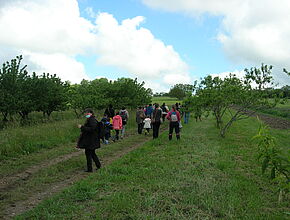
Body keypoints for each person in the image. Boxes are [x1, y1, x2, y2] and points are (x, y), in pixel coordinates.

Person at [77, 108, 101, 172]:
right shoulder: (91, 119)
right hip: (91, 140)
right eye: (86, 113)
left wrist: (82, 127)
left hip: (91, 140)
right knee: (92, 153)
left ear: (91, 113)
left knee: (88, 154)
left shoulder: (92, 120)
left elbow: (92, 129)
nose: (86, 114)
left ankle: (90, 169)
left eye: (87, 113)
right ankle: (98, 165)